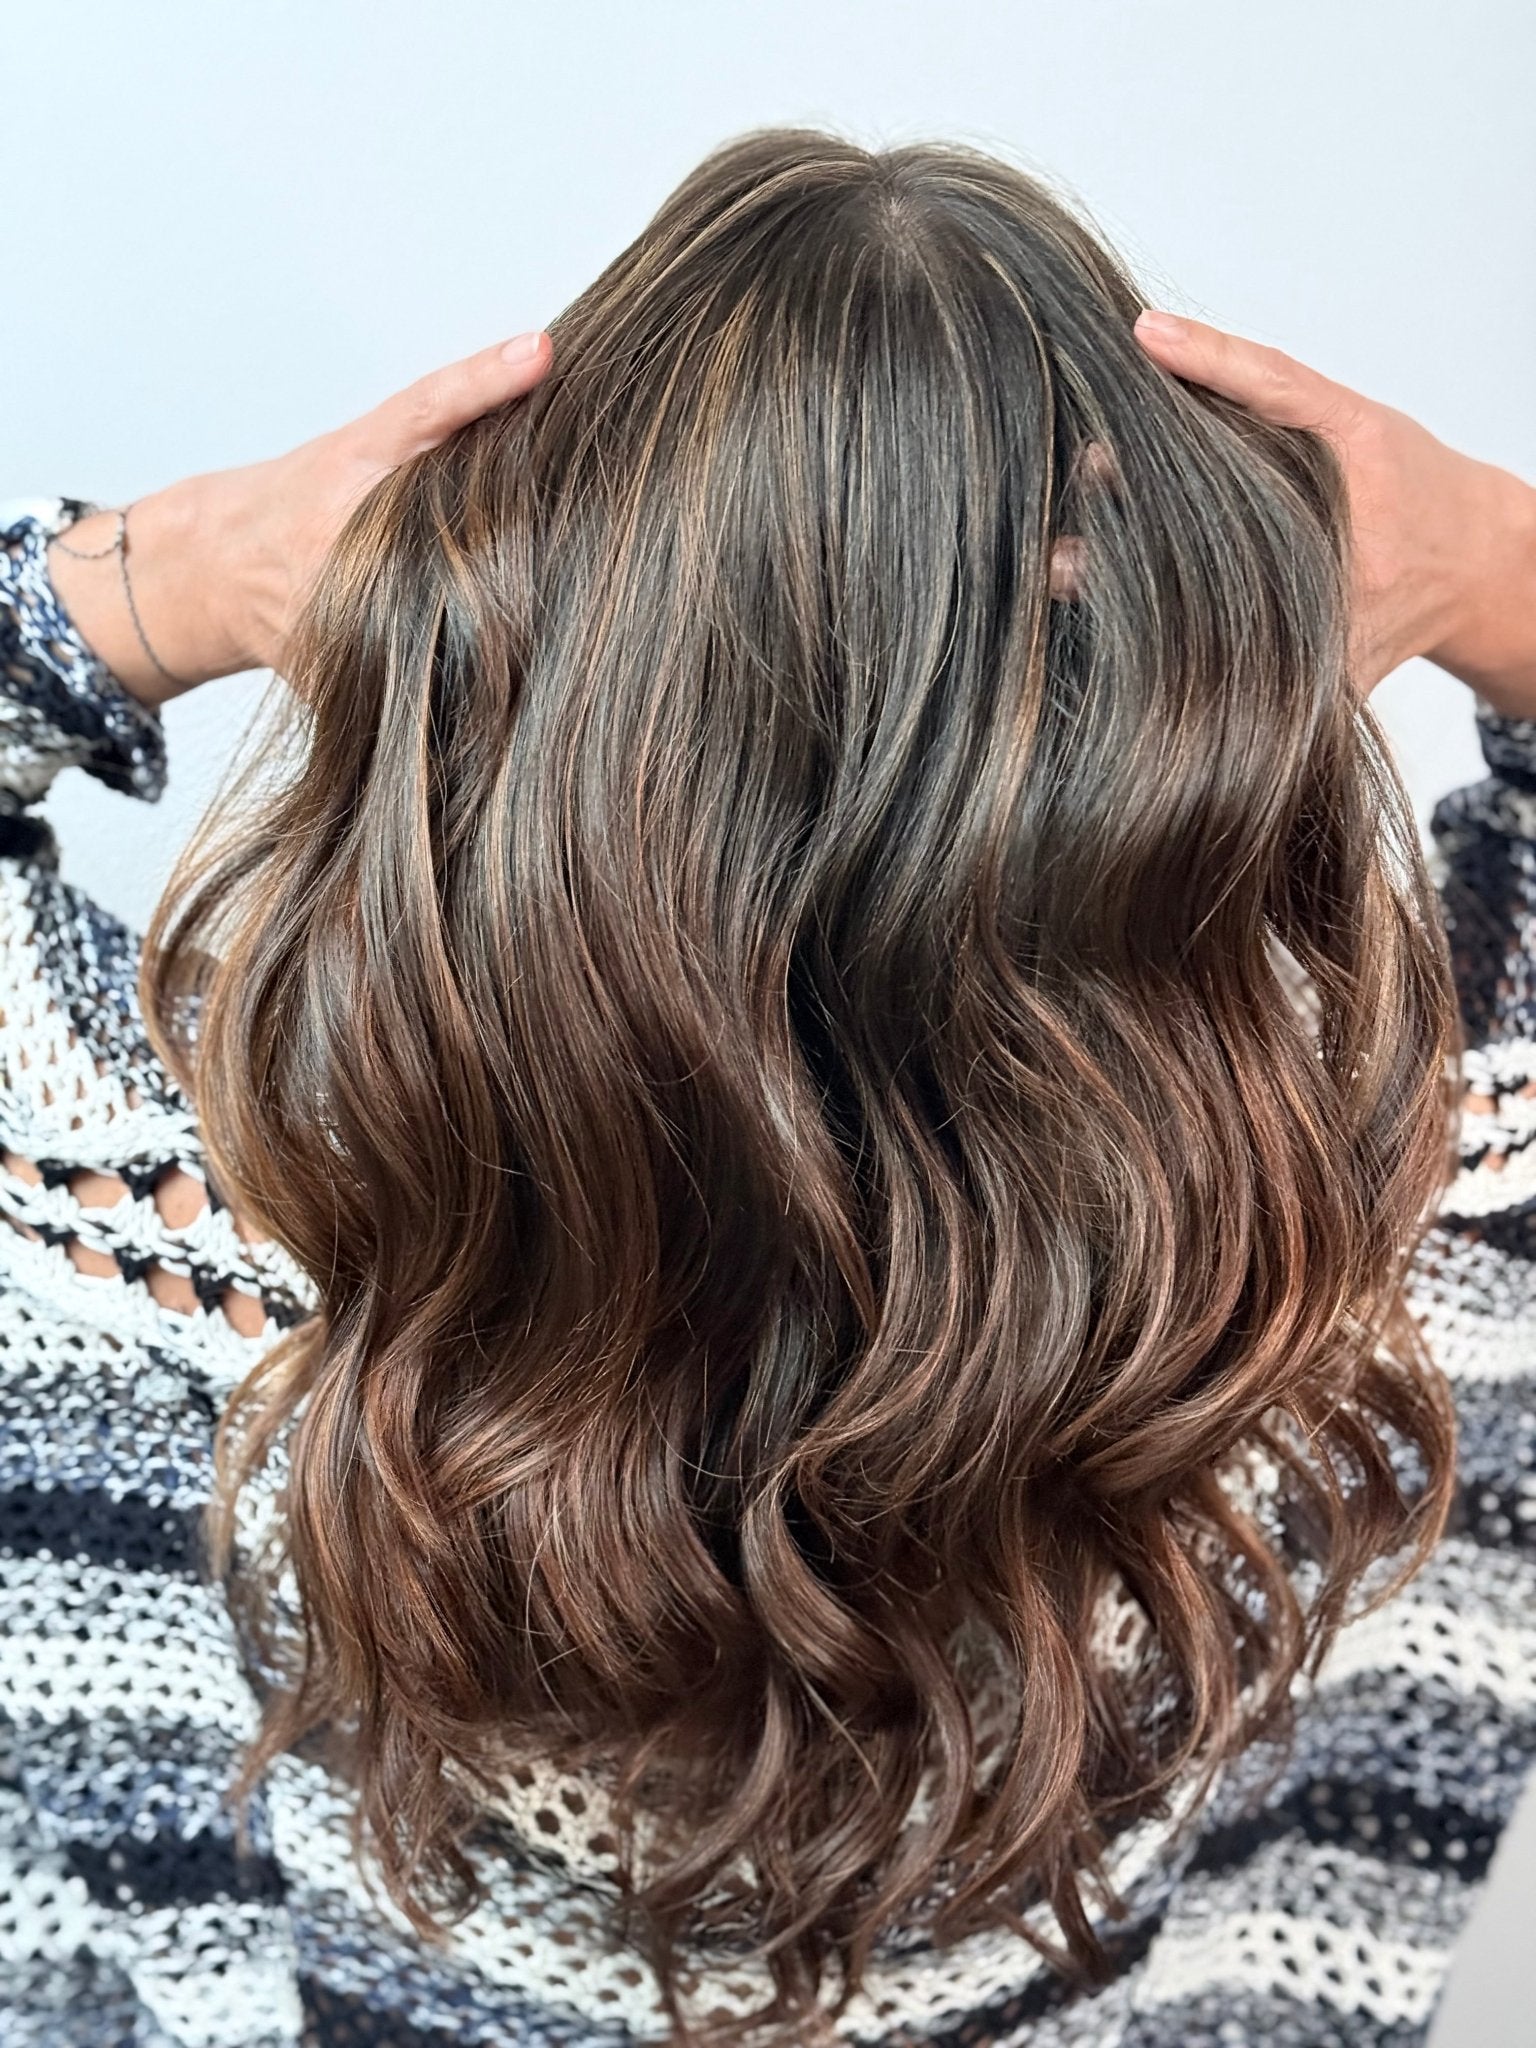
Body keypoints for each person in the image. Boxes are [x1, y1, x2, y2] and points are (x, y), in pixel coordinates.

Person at [2, 127, 1534, 2048]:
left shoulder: (126, 1261)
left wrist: (177, 575)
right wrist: (1488, 551)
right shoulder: (1378, 1274)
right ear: (1159, 704)